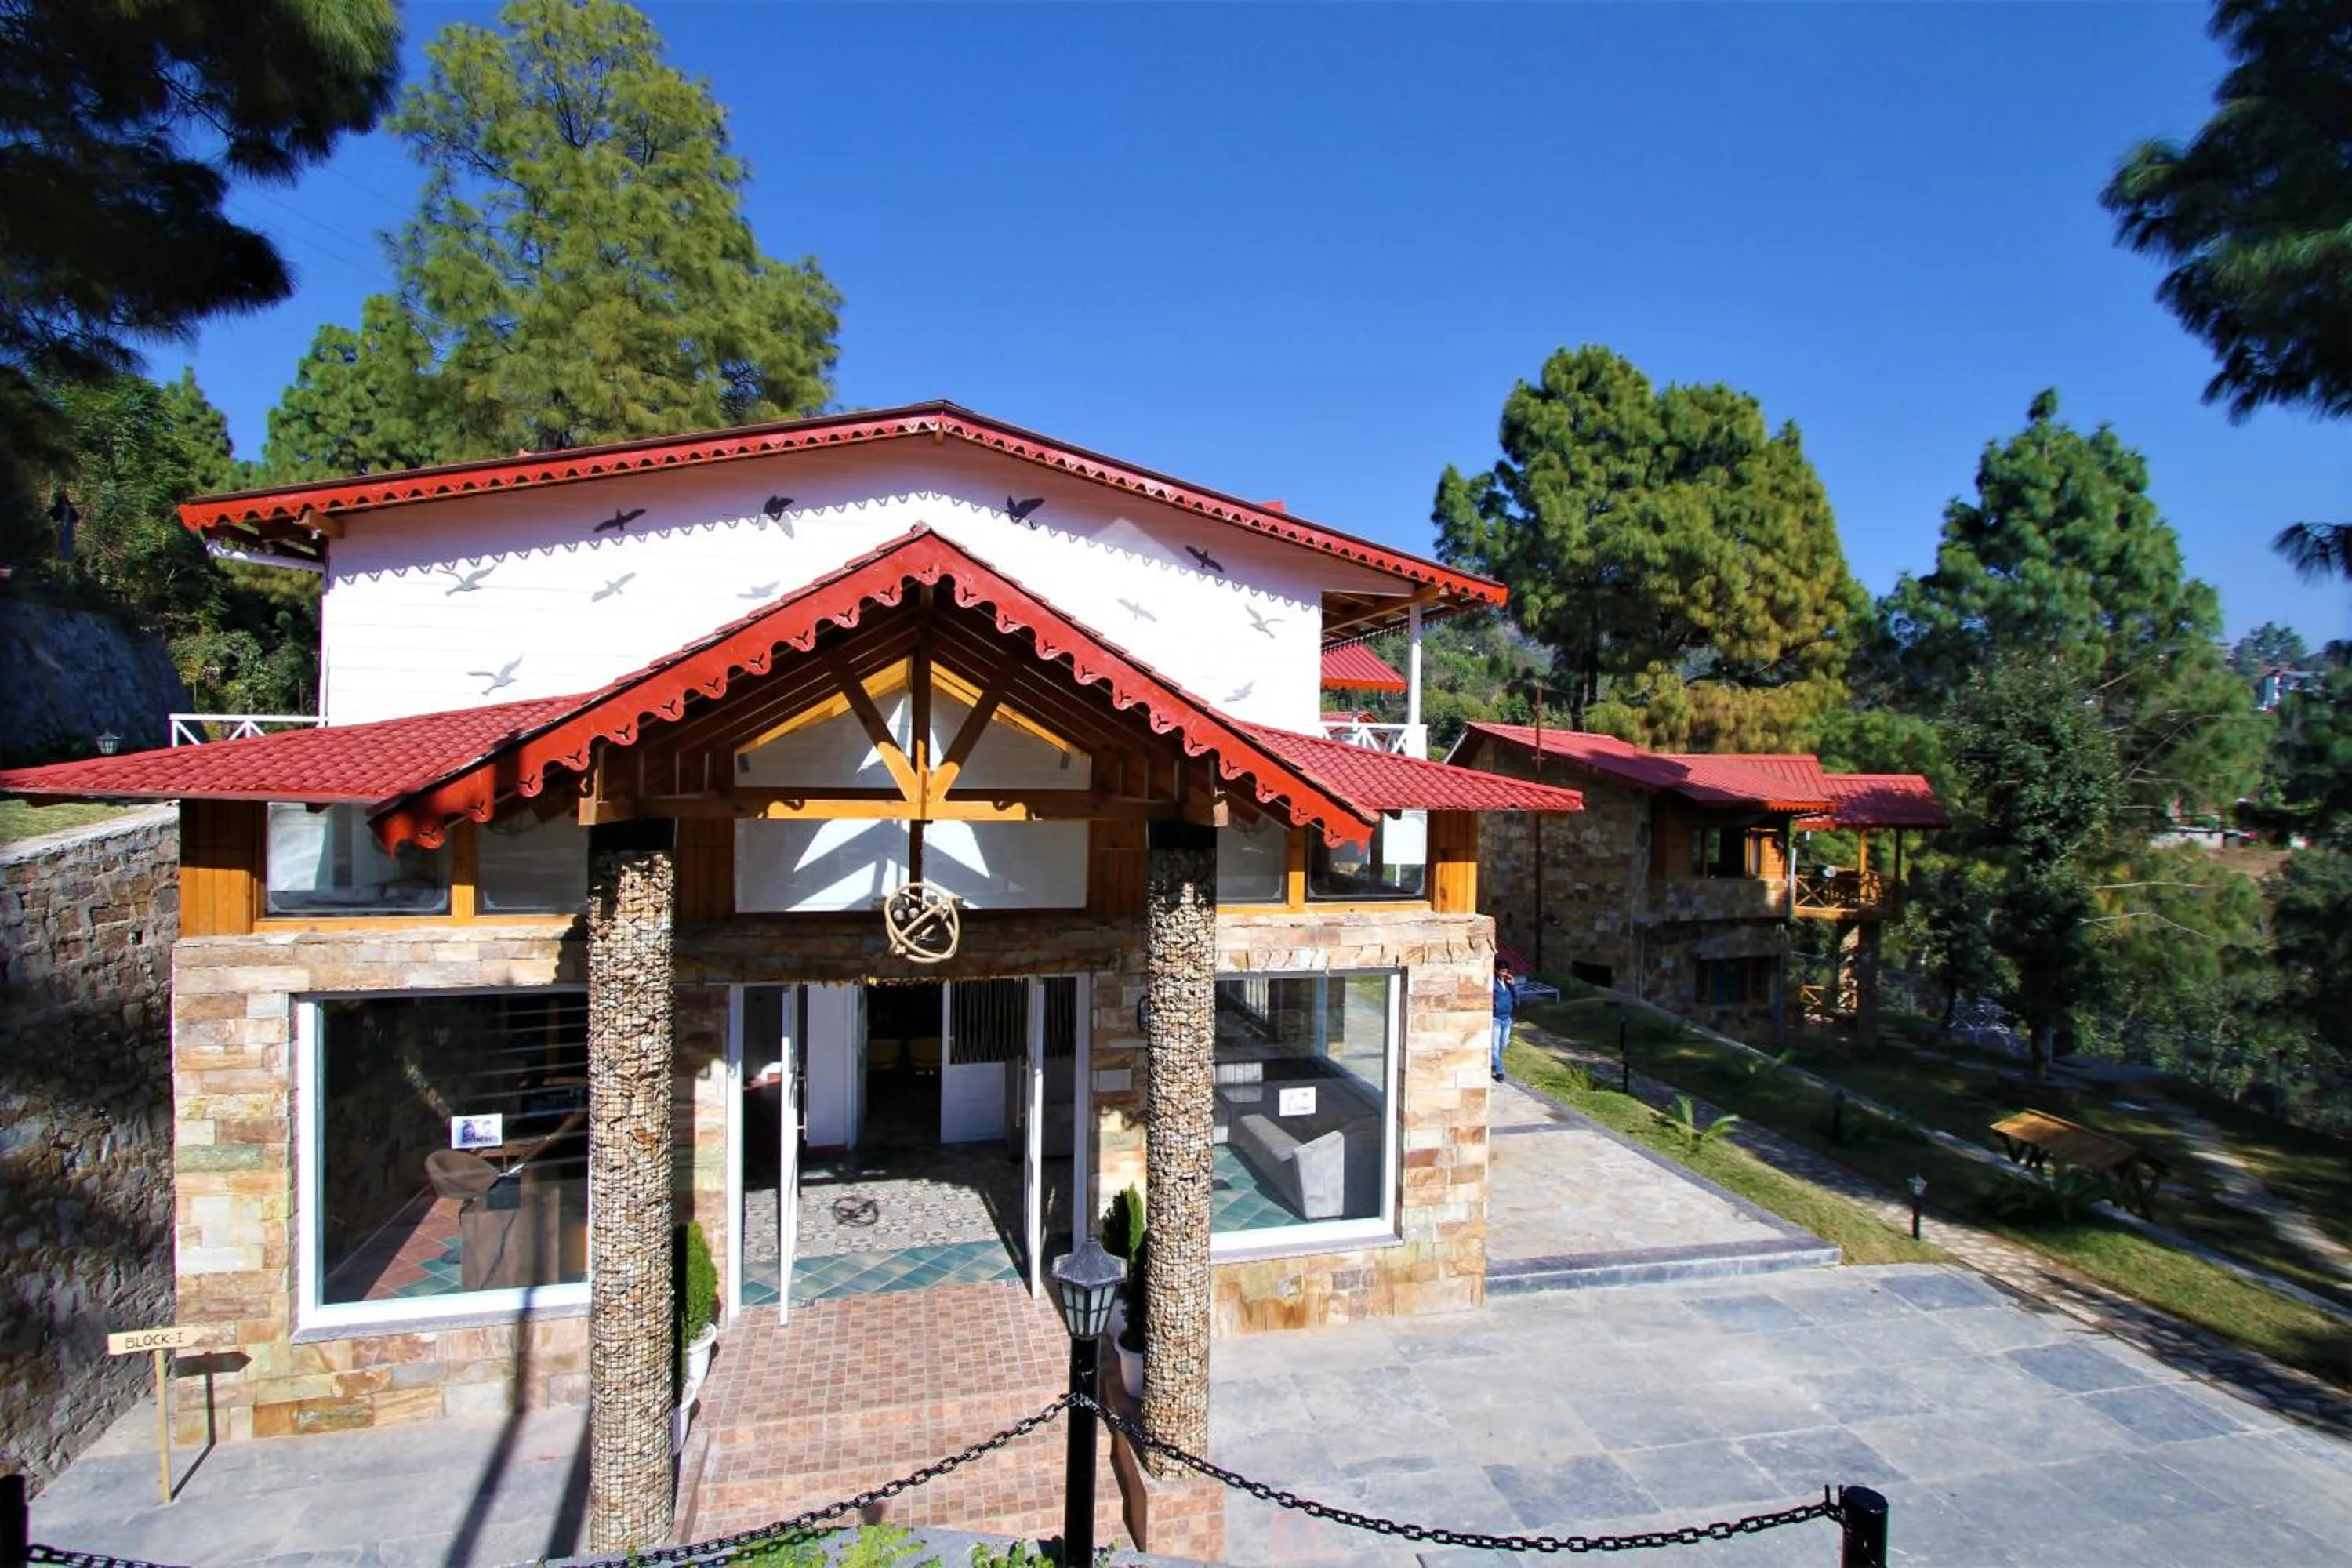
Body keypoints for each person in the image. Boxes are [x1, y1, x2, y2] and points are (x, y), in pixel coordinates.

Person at [1492, 958, 1520, 1083]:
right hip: (1496, 1018)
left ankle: (1494, 1062)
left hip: (1506, 1018)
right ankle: (1499, 1071)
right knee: (1495, 1046)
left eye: (1505, 971)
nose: (1504, 973)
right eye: (1502, 971)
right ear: (1497, 970)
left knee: (1504, 1043)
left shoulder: (1508, 983)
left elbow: (1516, 998)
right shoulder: (1493, 983)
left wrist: (1513, 985)